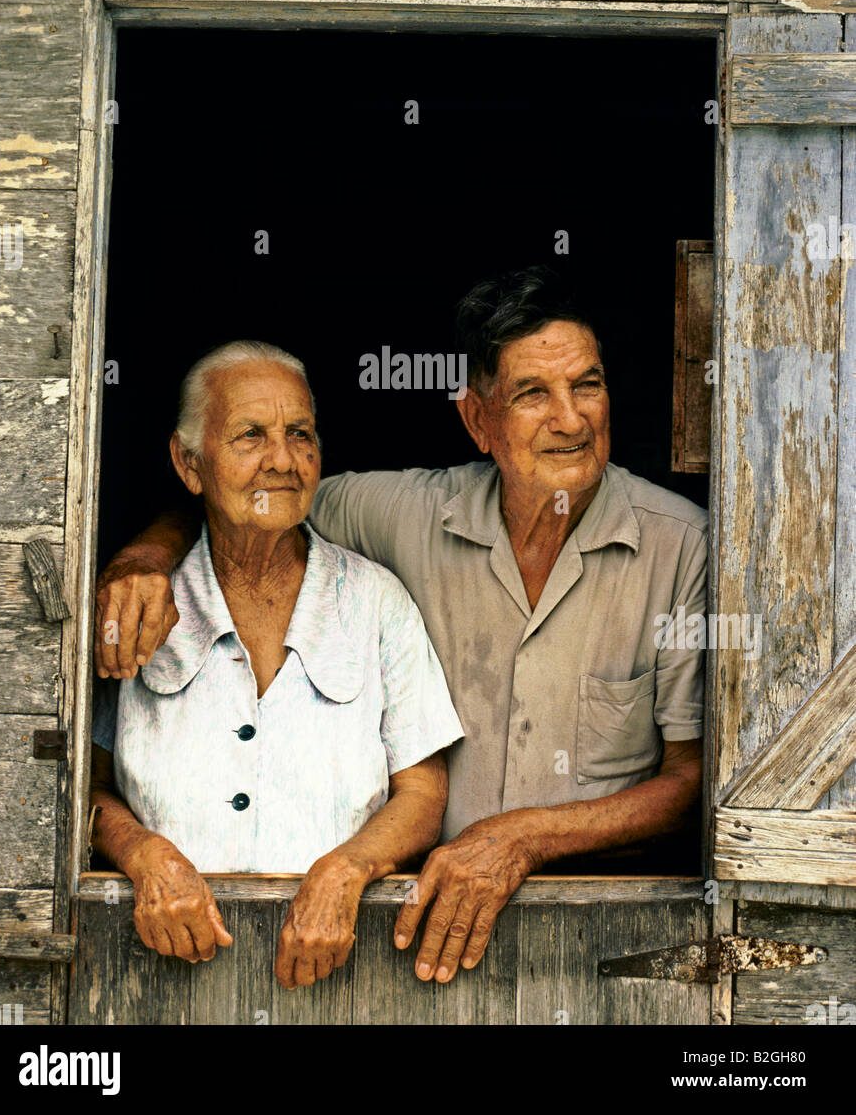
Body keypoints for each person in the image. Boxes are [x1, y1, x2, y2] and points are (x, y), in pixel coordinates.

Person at [96, 266, 706, 987]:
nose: (570, 419)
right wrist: (144, 560)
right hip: (417, 936)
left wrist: (517, 839)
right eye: (532, 394)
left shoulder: (681, 546)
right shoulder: (402, 514)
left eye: (587, 385)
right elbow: (252, 497)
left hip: (609, 926)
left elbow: (690, 781)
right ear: (477, 420)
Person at [89, 341, 463, 989]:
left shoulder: (374, 599)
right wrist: (143, 854)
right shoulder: (141, 602)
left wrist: (347, 869)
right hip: (155, 974)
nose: (283, 461)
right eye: (249, 437)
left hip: (345, 974)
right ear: (188, 462)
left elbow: (423, 793)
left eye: (299, 434)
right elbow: (78, 787)